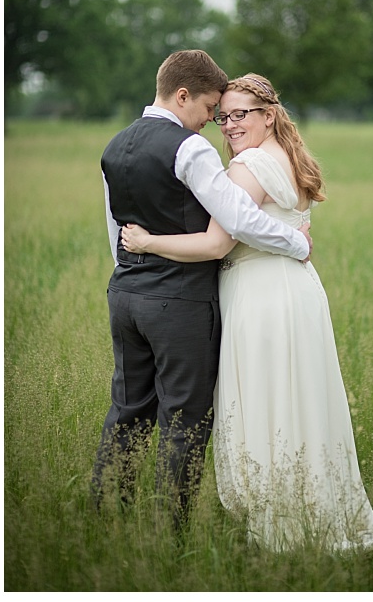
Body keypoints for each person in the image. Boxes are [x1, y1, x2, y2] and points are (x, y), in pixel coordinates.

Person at [120, 73, 373, 552]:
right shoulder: (289, 156)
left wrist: (145, 241)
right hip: (297, 291)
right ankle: (320, 506)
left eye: (240, 114)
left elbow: (218, 242)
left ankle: (285, 522)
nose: (228, 125)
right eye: (223, 116)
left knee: (270, 402)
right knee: (299, 399)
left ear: (268, 114)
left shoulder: (248, 166)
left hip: (262, 295)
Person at [95, 52, 313, 530]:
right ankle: (170, 532)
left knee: (127, 410)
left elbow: (115, 227)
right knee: (184, 420)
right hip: (178, 303)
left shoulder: (115, 146)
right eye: (211, 108)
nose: (211, 122)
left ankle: (107, 517)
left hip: (125, 293)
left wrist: (133, 271)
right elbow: (234, 219)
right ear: (182, 96)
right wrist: (296, 240)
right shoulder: (190, 148)